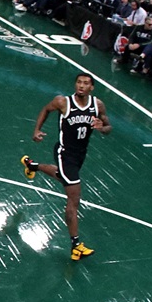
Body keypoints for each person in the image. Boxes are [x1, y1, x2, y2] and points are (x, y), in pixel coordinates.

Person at [20, 74, 111, 261]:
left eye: (86, 83)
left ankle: (32, 165)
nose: (81, 86)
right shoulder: (63, 102)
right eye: (79, 82)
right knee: (74, 198)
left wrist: (102, 128)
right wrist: (36, 130)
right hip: (64, 153)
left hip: (80, 155)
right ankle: (76, 245)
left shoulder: (97, 105)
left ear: (92, 87)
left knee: (63, 177)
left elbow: (108, 127)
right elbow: (46, 109)